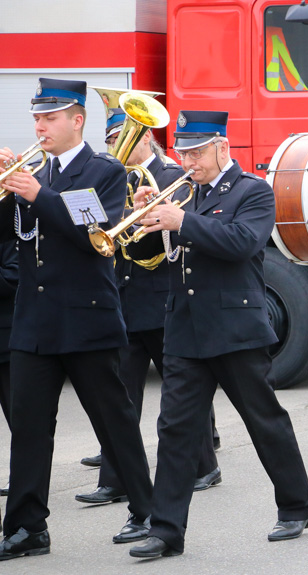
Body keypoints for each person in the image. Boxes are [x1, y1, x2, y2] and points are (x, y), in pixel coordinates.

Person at [124, 110, 308, 558]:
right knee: (175, 429)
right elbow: (149, 252)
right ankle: (166, 530)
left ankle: (295, 506)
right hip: (186, 328)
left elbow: (240, 243)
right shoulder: (182, 194)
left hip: (236, 329)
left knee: (263, 420)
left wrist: (180, 221)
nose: (188, 160)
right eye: (183, 151)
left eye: (196, 151)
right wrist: (143, 218)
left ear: (222, 148)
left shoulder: (252, 191)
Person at [0, 78, 153, 561]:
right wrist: (7, 192)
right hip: (34, 320)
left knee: (112, 419)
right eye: (37, 119)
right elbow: (13, 236)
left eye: (50, 118)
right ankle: (27, 527)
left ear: (76, 120)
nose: (40, 127)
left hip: (86, 318)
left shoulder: (105, 170)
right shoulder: (34, 172)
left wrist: (34, 194)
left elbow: (93, 231)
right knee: (27, 425)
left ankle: (148, 510)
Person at [74, 109, 221, 507]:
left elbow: (169, 236)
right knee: (120, 395)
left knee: (181, 390)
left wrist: (142, 216)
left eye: (123, 137)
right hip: (123, 296)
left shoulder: (174, 177)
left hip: (160, 296)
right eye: (110, 140)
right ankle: (116, 478)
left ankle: (205, 465)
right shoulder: (112, 178)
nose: (115, 147)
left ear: (143, 138)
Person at [0, 240, 17, 498]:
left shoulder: (6, 229)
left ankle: (25, 481)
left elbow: (14, 278)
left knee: (21, 422)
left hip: (5, 342)